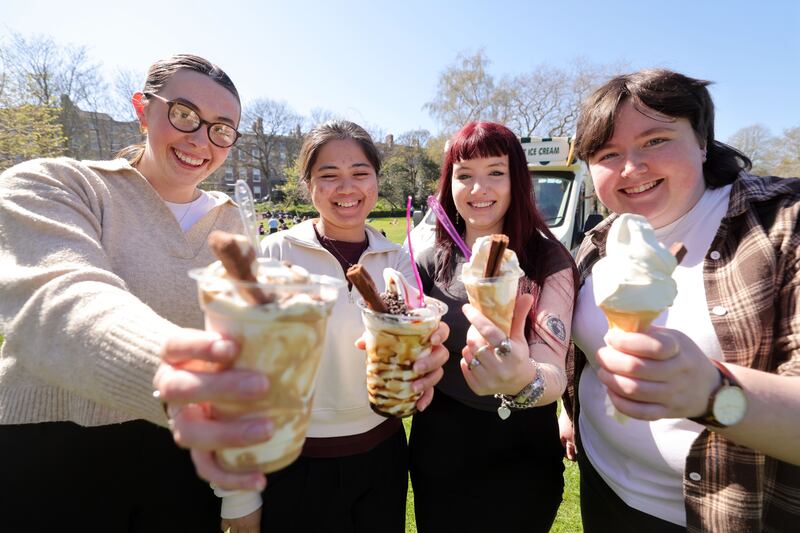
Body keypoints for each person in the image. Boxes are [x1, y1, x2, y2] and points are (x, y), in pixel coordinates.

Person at [152, 120, 450, 533]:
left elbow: (414, 346)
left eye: (360, 174)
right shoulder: (274, 253)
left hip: (383, 455)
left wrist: (426, 350)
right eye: (329, 176)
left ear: (377, 181)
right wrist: (238, 495)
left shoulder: (394, 258)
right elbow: (234, 372)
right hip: (293, 462)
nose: (347, 188)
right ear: (309, 186)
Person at [0, 54, 244, 532]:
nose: (200, 140)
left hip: (183, 451)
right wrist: (181, 377)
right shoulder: (56, 185)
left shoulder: (232, 221)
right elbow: (61, 295)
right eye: (185, 115)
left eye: (222, 129)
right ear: (143, 108)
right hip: (54, 446)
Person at [562, 69, 800, 532]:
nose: (632, 168)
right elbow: (590, 356)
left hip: (721, 517)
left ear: (702, 140)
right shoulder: (598, 242)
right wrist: (571, 415)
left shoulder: (784, 226)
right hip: (604, 491)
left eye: (655, 141)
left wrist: (712, 393)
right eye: (608, 153)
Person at [409, 121, 578, 532]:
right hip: (441, 440)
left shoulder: (547, 260)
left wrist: (522, 378)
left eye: (495, 173)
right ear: (449, 184)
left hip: (519, 447)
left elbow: (552, 369)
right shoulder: (432, 258)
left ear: (516, 179)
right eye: (464, 175)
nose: (477, 189)